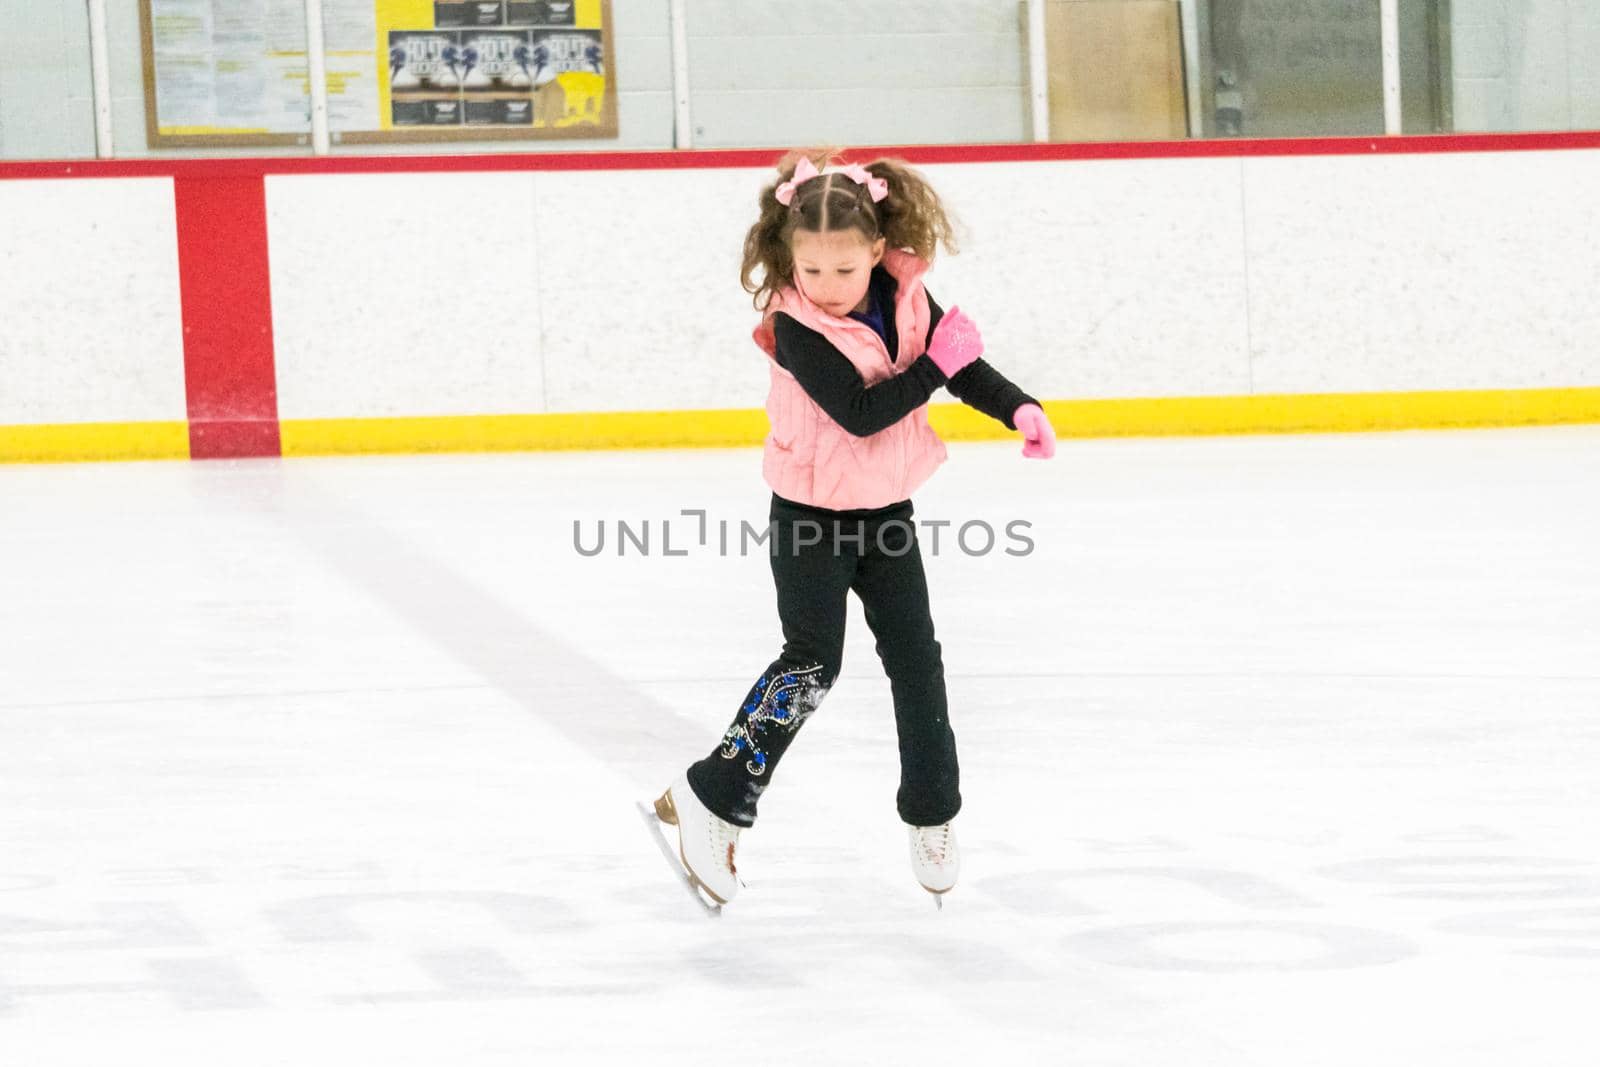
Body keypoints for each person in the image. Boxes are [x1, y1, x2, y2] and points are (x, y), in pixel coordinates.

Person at [651, 150, 1057, 907]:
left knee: (917, 658)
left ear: (877, 251)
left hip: (886, 513)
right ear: (789, 257)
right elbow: (862, 414)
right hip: (808, 516)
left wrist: (1018, 406)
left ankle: (932, 813)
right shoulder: (793, 325)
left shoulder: (906, 295)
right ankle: (715, 794)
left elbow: (960, 366)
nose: (828, 289)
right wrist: (938, 366)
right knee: (811, 663)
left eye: (845, 271)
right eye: (811, 271)